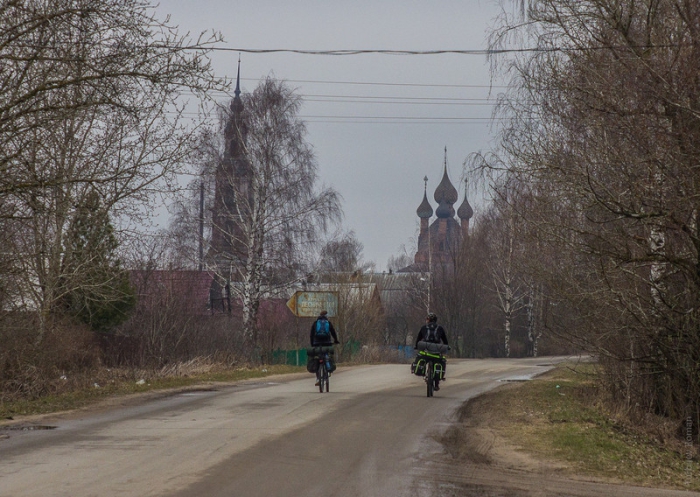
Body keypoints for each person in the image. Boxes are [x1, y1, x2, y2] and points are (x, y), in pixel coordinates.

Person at [415, 312, 448, 390]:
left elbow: (418, 338)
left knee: (422, 358)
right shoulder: (440, 328)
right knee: (438, 362)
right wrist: (447, 347)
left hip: (426, 349)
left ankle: (423, 372)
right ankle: (436, 384)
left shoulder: (424, 327)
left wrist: (416, 346)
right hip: (437, 350)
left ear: (428, 320)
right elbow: (445, 340)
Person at [310, 310, 339, 386]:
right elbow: (333, 332)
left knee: (317, 358)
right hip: (327, 343)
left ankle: (318, 378)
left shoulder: (315, 323)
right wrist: (336, 340)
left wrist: (312, 344)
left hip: (316, 343)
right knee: (327, 355)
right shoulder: (328, 323)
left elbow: (311, 334)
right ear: (327, 316)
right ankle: (327, 372)